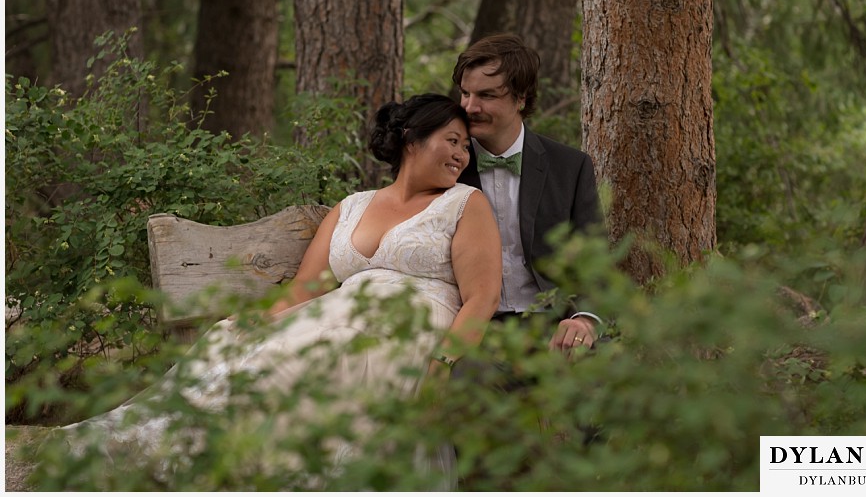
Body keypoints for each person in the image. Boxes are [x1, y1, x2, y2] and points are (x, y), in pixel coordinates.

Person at [55, 94, 502, 488]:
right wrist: (251, 321)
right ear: (411, 139)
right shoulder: (353, 206)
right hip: (338, 317)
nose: (462, 154)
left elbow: (482, 297)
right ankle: (174, 457)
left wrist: (442, 364)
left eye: (465, 145)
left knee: (302, 366)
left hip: (408, 330)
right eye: (452, 139)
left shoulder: (464, 203)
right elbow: (306, 289)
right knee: (233, 345)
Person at [453, 33, 605, 350]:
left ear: (521, 98)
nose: (470, 106)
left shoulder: (570, 167)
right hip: (470, 327)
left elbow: (595, 263)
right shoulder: (446, 166)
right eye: (465, 93)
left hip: (553, 326)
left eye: (486, 95)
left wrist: (585, 320)